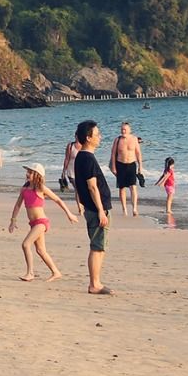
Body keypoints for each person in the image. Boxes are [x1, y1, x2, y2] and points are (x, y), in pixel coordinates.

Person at [7, 162, 79, 281]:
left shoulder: (41, 188)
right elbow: (17, 205)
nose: (27, 174)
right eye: (27, 172)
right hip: (33, 224)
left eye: (30, 172)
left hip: (41, 222)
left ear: (37, 175)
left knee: (25, 244)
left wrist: (69, 214)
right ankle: (56, 272)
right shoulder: (24, 189)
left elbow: (58, 200)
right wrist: (13, 221)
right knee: (41, 250)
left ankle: (30, 273)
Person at [72, 120, 113, 295]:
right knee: (97, 246)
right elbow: (92, 186)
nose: (100, 137)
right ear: (88, 138)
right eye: (97, 134)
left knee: (100, 246)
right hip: (96, 209)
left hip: (93, 207)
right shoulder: (86, 158)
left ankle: (96, 281)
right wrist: (100, 210)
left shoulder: (83, 156)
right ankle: (94, 284)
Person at [110, 121, 143, 218]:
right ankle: (124, 209)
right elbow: (113, 154)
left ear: (129, 130)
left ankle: (134, 208)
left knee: (133, 187)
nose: (123, 131)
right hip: (120, 165)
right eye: (122, 129)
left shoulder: (134, 139)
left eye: (125, 129)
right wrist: (113, 166)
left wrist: (140, 166)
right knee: (122, 188)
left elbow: (138, 153)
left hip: (131, 165)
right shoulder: (117, 140)